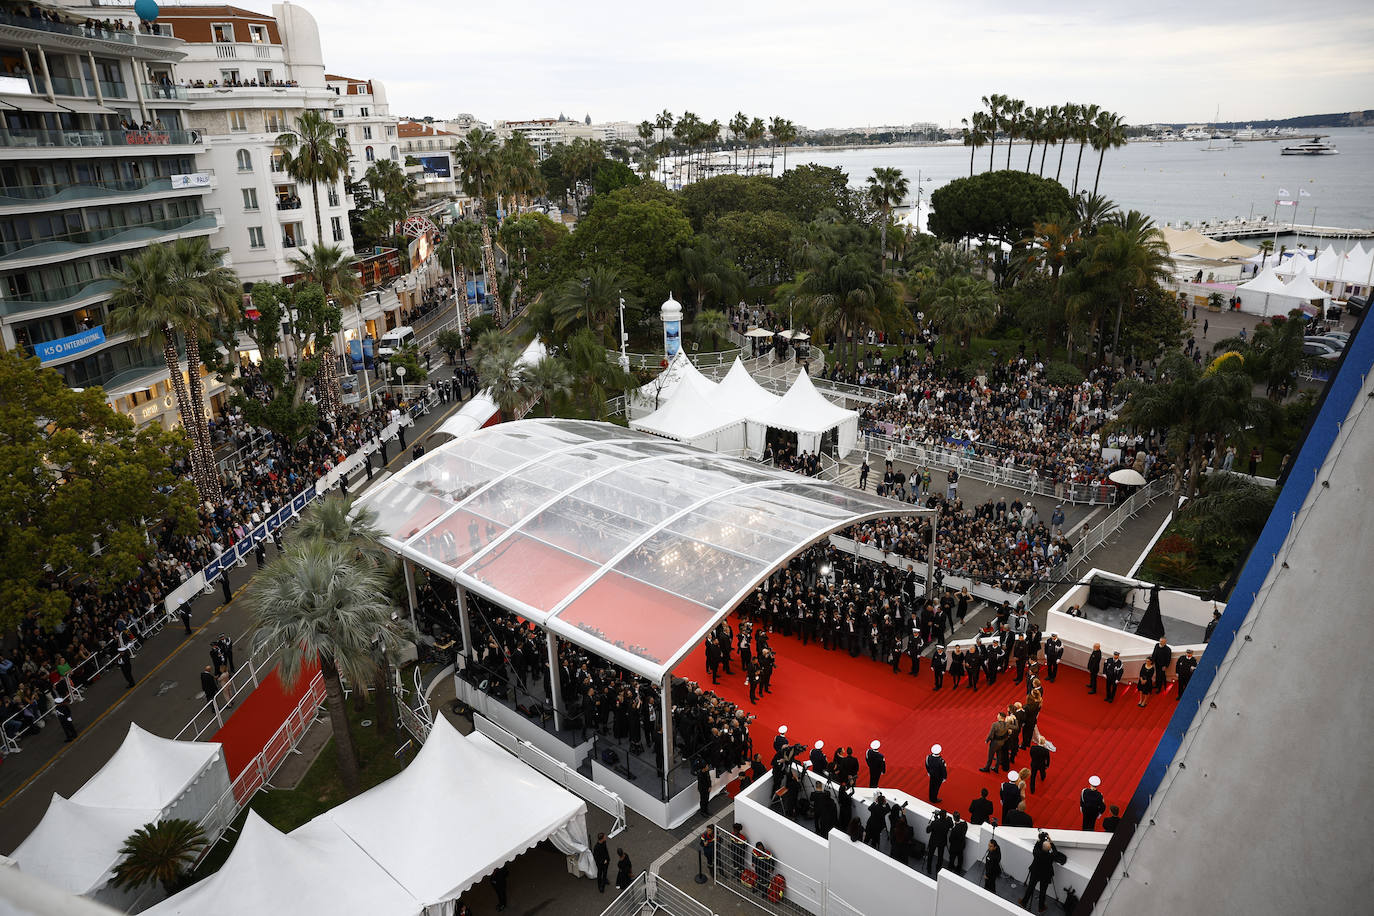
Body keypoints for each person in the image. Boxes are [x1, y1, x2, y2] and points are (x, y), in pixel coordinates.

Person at [1020, 835, 1068, 913]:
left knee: (1031, 887)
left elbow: (1036, 846)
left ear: (1042, 847)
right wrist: (1051, 842)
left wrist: (1039, 840)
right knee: (1043, 891)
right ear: (1049, 849)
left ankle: (1024, 902)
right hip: (1046, 875)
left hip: (1035, 872)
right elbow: (1055, 852)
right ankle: (1041, 907)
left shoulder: (1037, 853)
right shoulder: (1051, 856)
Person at [925, 809, 952, 874]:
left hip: (933, 841)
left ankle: (929, 869)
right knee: (940, 856)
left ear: (939, 815)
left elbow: (927, 831)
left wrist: (933, 821)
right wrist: (948, 818)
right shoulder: (947, 822)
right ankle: (938, 869)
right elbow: (951, 825)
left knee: (930, 855)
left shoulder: (935, 823)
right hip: (942, 842)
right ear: (945, 816)